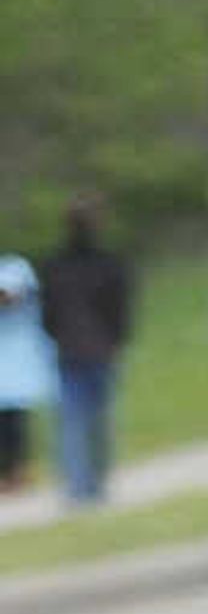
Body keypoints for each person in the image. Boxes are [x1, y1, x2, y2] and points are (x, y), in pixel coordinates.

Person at [38, 196, 130, 508]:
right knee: (98, 420)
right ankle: (94, 484)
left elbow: (47, 315)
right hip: (100, 349)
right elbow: (120, 311)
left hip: (68, 349)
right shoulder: (109, 263)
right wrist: (117, 340)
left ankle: (78, 487)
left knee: (72, 422)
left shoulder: (54, 265)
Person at [0, 251, 51, 492]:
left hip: (17, 368)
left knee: (16, 424)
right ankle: (9, 473)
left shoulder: (17, 270)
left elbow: (12, 296)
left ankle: (18, 471)